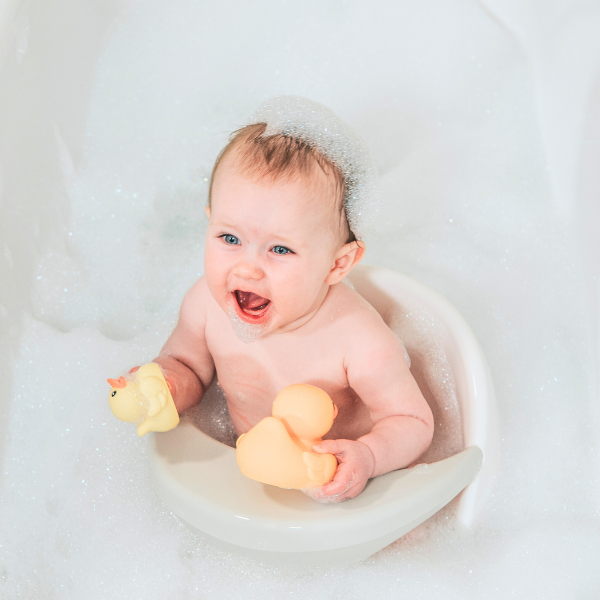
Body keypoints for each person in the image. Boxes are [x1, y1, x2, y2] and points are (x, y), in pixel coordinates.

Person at [128, 102, 434, 502]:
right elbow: (187, 366)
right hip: (249, 480)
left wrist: (369, 457)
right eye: (230, 239)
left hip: (346, 488)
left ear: (337, 264)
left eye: (279, 249)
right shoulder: (205, 303)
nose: (248, 269)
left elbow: (411, 420)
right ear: (209, 221)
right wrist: (165, 386)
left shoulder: (357, 338)